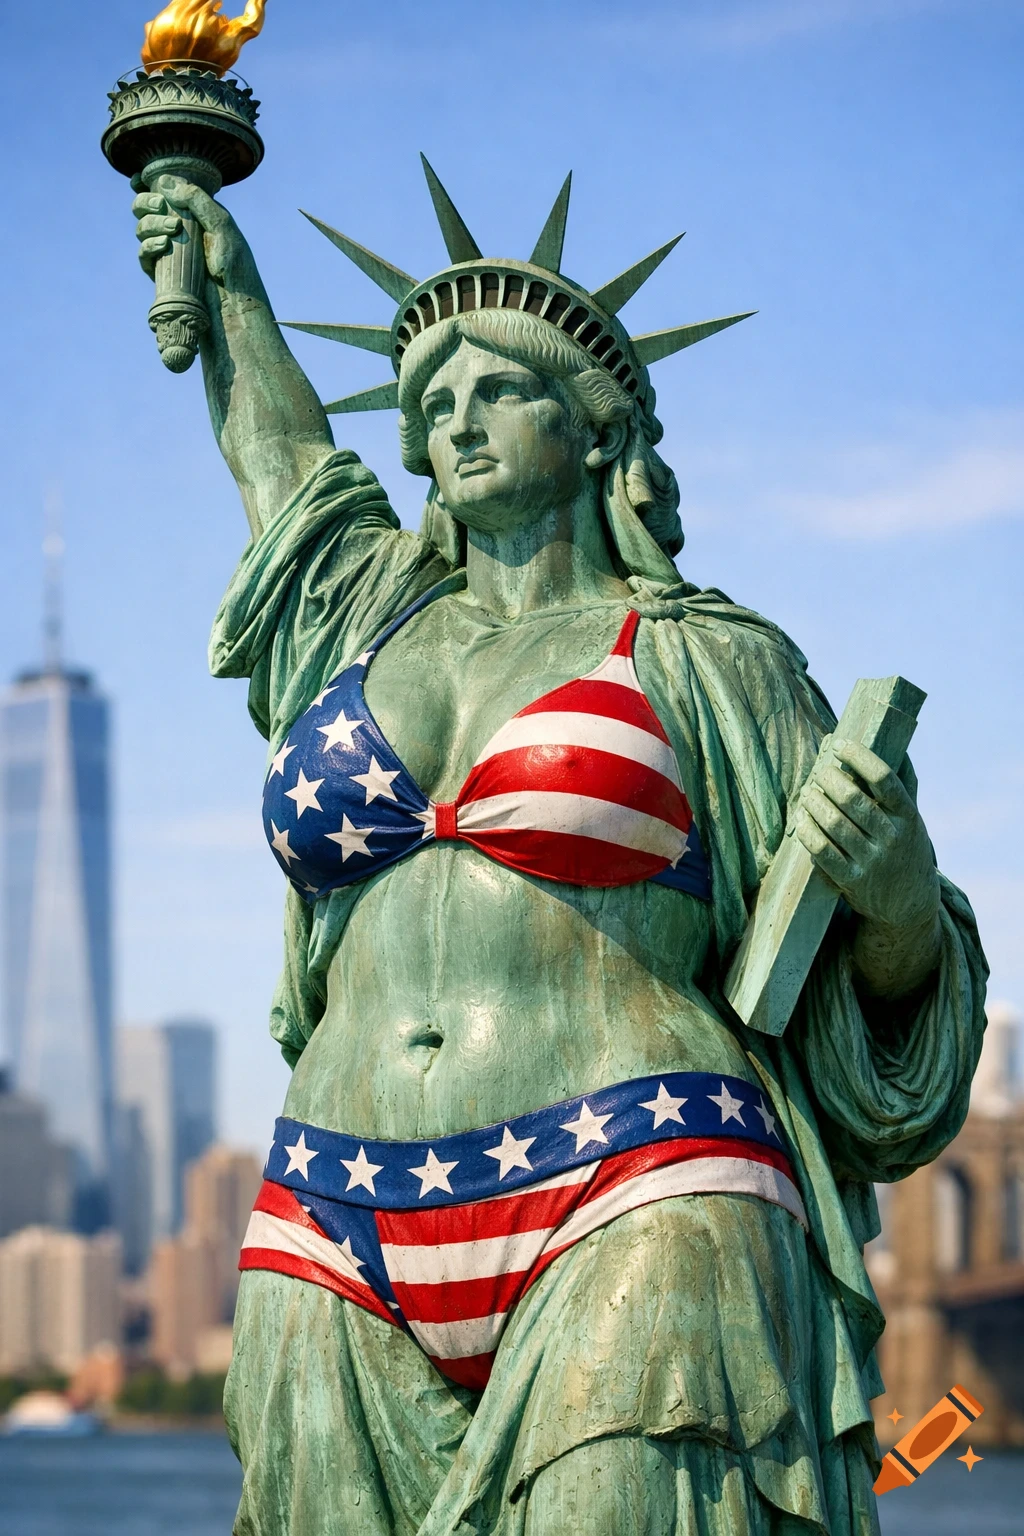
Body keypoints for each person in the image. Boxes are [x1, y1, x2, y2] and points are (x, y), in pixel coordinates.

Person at [132, 166, 987, 1536]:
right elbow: (281, 463)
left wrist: (892, 897)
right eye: (430, 405)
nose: (453, 422)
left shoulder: (714, 662)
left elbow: (890, 1012)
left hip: (643, 1191)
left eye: (497, 391)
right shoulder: (362, 623)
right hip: (333, 1210)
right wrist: (224, 276)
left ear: (596, 429)